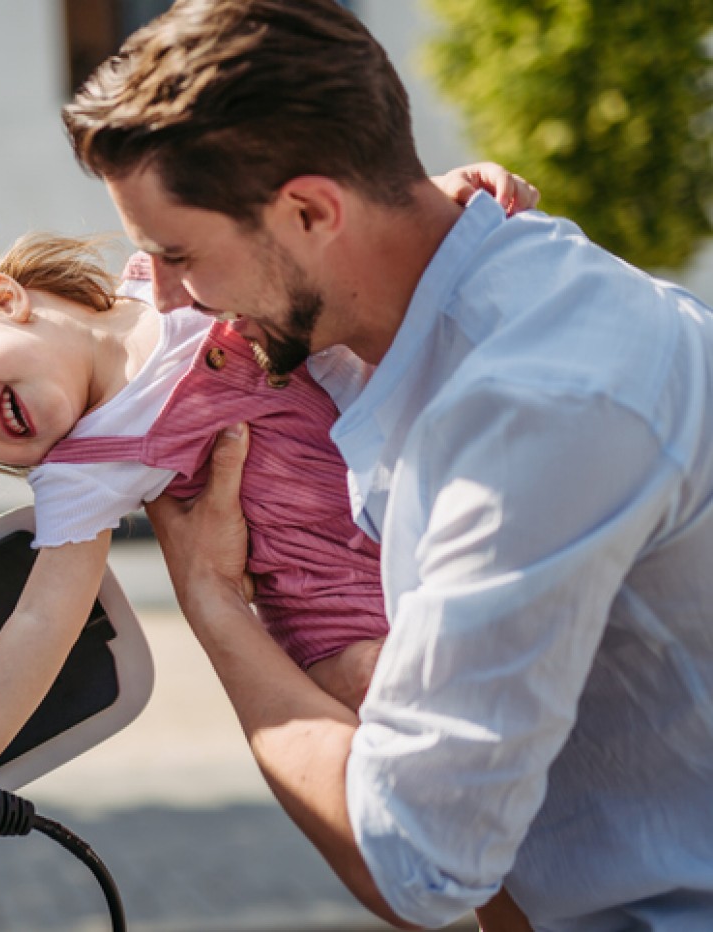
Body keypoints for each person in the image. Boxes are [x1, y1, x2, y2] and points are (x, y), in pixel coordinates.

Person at [62, 1, 713, 930]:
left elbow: (414, 861)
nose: (168, 298)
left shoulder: (536, 411)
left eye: (179, 255)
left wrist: (214, 604)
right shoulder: (432, 309)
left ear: (311, 210)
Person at [0, 162, 534, 793]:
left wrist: (435, 199)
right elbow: (43, 618)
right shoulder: (83, 466)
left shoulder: (170, 269)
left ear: (0, 299)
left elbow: (318, 247)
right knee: (450, 760)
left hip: (432, 513)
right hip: (334, 613)